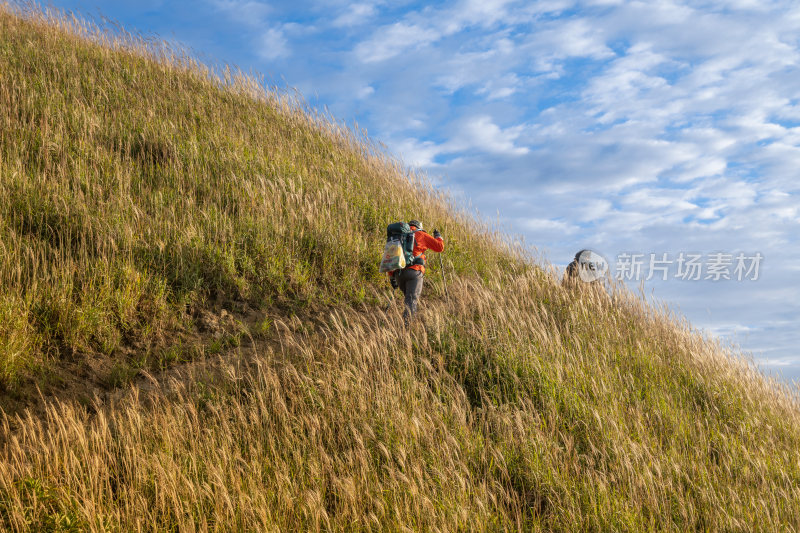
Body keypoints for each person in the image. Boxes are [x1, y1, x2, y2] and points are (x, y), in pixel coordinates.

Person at [388, 220, 444, 322]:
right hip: (414, 272)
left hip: (399, 275)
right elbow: (439, 247)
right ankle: (407, 329)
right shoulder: (421, 234)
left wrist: (392, 277)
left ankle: (405, 324)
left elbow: (392, 257)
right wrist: (438, 236)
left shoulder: (399, 237)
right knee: (411, 301)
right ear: (419, 226)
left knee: (409, 300)